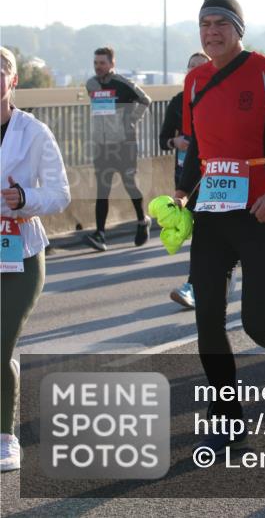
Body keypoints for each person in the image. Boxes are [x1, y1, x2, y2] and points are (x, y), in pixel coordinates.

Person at [174, 0, 265, 453]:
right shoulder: (195, 80)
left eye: (220, 23)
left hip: (264, 210)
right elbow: (197, 147)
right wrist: (181, 191)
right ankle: (227, 414)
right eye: (204, 24)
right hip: (213, 211)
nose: (211, 31)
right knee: (208, 323)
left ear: (239, 29)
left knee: (255, 321)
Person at [1, 46, 71, 471]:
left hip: (20, 252)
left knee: (0, 341)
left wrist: (26, 198)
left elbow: (61, 194)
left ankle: (6, 436)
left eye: (1, 68)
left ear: (13, 82)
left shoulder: (33, 131)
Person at [83, 46, 152, 251]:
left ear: (112, 63)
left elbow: (145, 100)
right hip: (102, 146)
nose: (98, 67)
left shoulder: (122, 83)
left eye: (103, 63)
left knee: (130, 184)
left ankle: (142, 220)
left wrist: (130, 119)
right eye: (95, 63)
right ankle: (100, 234)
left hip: (124, 144)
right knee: (102, 191)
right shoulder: (91, 84)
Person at [160, 52, 210, 309]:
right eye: (191, 69)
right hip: (187, 177)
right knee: (200, 231)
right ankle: (200, 283)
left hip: (215, 176)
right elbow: (163, 139)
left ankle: (196, 284)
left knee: (207, 232)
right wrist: (175, 142)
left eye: (201, 69)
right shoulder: (178, 102)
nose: (195, 74)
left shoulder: (218, 98)